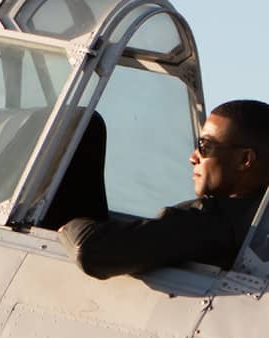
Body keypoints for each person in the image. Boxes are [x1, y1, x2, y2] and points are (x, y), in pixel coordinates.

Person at [60, 99, 269, 279]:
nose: (193, 157)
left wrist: (68, 227)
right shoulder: (255, 228)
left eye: (205, 146)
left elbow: (90, 250)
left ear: (245, 159)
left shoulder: (211, 221)